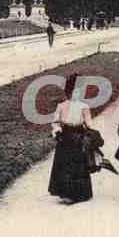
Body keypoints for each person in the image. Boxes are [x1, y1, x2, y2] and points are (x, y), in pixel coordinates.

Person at [48, 74, 94, 204]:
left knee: (78, 165)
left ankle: (80, 194)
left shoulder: (84, 106)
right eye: (73, 91)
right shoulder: (61, 106)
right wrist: (57, 130)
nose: (76, 94)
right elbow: (55, 122)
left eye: (79, 91)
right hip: (66, 136)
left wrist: (92, 133)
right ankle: (66, 193)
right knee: (65, 165)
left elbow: (89, 122)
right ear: (68, 92)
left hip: (79, 135)